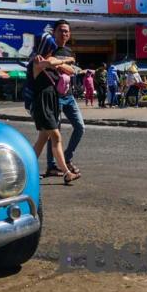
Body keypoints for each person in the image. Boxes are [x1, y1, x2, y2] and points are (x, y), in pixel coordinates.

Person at [30, 32, 80, 184]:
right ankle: (66, 172)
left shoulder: (49, 59)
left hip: (52, 101)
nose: (52, 50)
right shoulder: (36, 61)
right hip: (42, 102)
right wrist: (67, 60)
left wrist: (64, 61)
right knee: (56, 136)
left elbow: (72, 71)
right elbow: (50, 64)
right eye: (50, 48)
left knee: (42, 139)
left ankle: (26, 168)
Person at [44, 20, 83, 178]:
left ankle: (66, 158)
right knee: (54, 132)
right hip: (54, 96)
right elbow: (49, 64)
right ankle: (51, 166)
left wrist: (61, 65)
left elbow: (72, 71)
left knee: (80, 127)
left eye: (66, 31)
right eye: (61, 30)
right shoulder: (49, 48)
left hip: (69, 96)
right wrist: (64, 65)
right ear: (54, 32)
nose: (64, 33)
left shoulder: (68, 50)